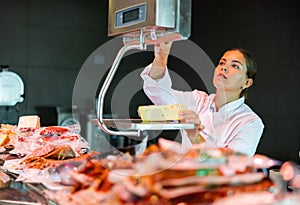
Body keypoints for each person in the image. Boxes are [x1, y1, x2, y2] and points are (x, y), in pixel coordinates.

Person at [140, 42, 264, 156]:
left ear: (247, 83)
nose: (224, 68)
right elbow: (158, 92)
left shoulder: (250, 122)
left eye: (235, 66)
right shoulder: (197, 100)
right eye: (222, 63)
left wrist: (195, 135)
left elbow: (229, 166)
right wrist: (161, 57)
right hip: (184, 176)